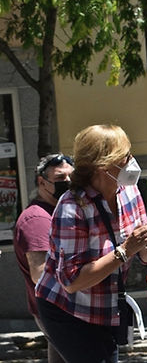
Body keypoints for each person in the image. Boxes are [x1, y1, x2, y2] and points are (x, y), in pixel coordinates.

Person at [34, 124, 147, 363]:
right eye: (126, 156)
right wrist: (126, 250)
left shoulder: (130, 191)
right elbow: (72, 282)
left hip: (104, 306)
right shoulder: (72, 207)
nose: (131, 161)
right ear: (104, 165)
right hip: (66, 309)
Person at [12, 153, 74, 363]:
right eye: (59, 178)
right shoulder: (37, 219)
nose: (67, 182)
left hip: (62, 312)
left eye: (70, 177)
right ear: (42, 182)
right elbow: (40, 274)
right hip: (58, 313)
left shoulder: (56, 212)